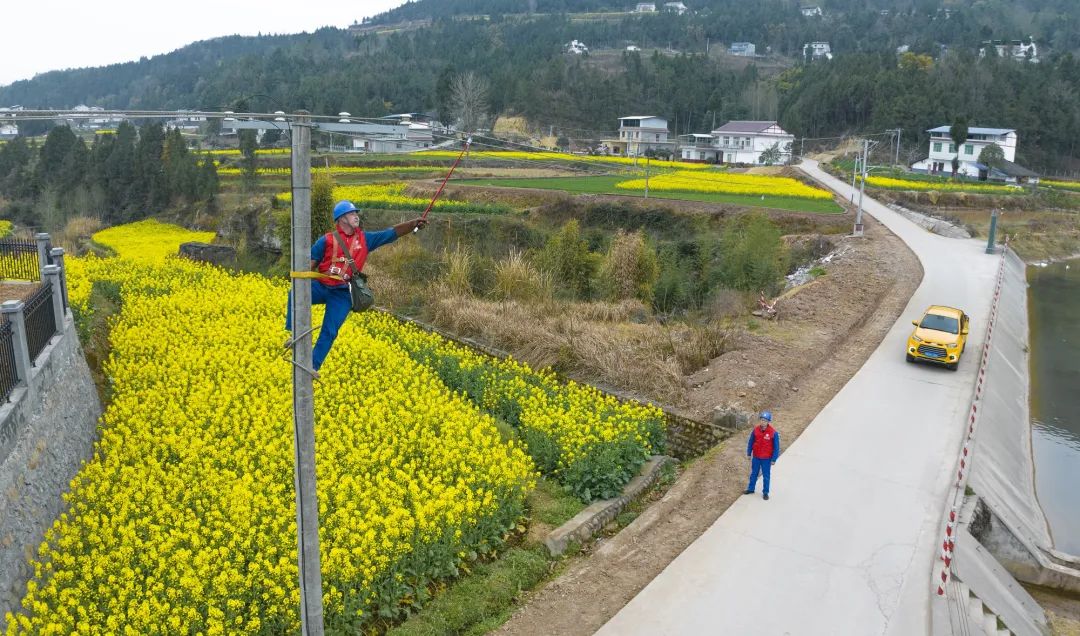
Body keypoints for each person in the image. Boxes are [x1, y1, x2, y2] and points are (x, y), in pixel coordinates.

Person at [286, 200, 427, 373]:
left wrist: (413, 224)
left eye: (356, 213)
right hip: (322, 286)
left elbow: (392, 233)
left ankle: (313, 366)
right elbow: (309, 266)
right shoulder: (326, 240)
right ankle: (294, 336)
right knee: (295, 293)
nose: (356, 216)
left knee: (330, 330)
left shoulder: (366, 239)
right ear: (342, 218)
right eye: (352, 213)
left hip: (343, 294)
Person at [744, 410, 780, 500]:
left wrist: (774, 459)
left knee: (766, 476)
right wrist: (749, 453)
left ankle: (765, 492)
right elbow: (751, 442)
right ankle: (751, 489)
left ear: (768, 422)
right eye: (761, 420)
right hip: (756, 457)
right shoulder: (755, 430)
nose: (762, 422)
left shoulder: (773, 433)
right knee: (753, 474)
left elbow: (776, 447)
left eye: (765, 420)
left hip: (766, 459)